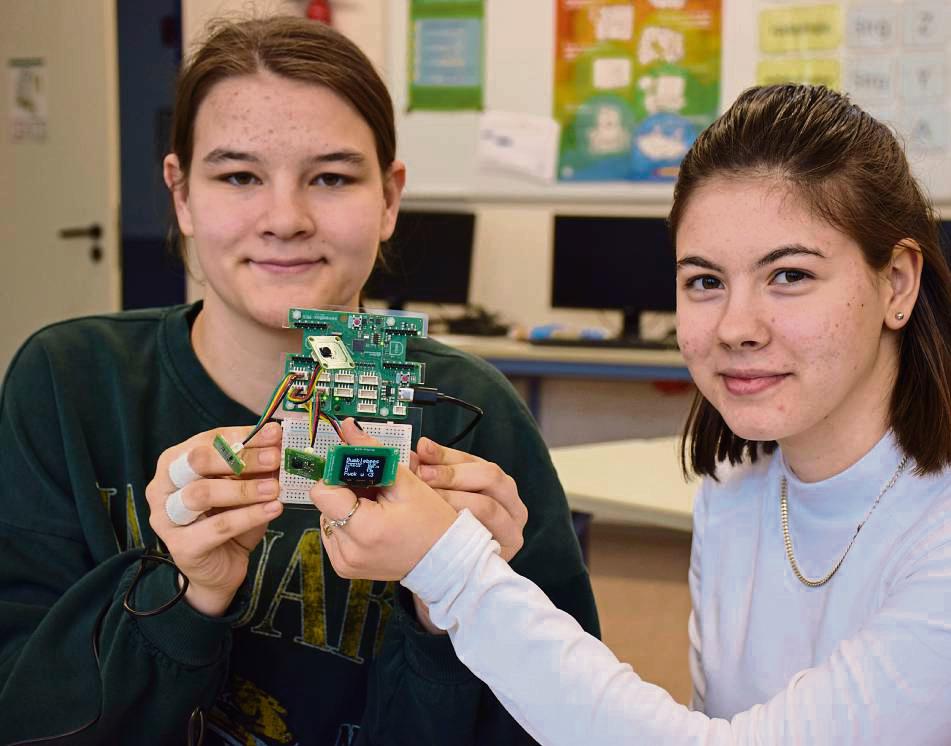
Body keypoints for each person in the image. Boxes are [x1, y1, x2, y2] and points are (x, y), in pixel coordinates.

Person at [0, 16, 598, 745]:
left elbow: (567, 723)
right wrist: (184, 597)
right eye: (239, 176)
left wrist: (457, 604)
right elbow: (22, 707)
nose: (284, 218)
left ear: (388, 198)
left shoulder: (475, 423)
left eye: (331, 177)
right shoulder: (69, 385)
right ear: (181, 193)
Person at [311, 83, 951, 745]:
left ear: (896, 283)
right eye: (704, 282)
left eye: (788, 275)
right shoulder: (736, 496)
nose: (734, 327)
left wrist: (452, 567)